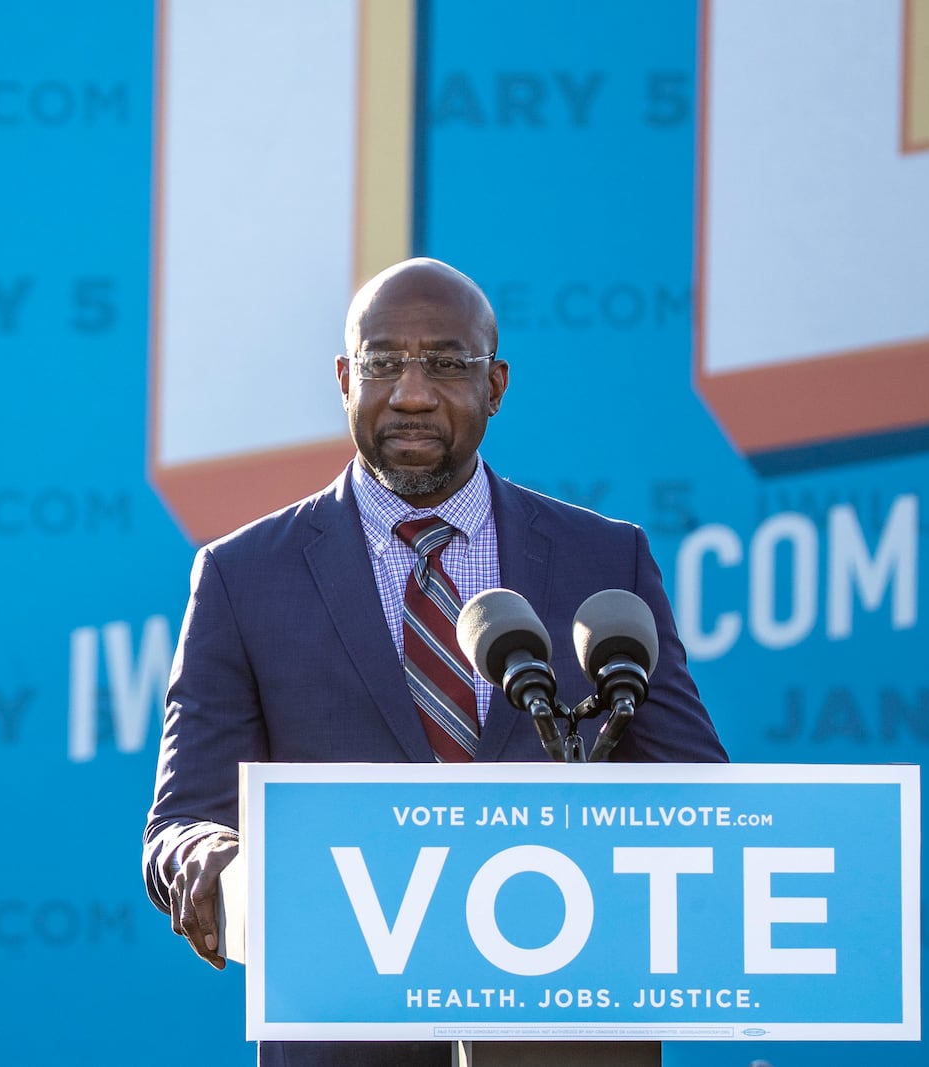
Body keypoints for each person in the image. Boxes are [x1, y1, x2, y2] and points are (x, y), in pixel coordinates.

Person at [143, 258, 727, 1066]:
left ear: (496, 386)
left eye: (448, 364)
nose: (412, 392)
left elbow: (700, 797)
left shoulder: (605, 559)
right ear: (345, 378)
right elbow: (184, 818)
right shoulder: (244, 577)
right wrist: (210, 857)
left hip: (563, 1038)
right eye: (383, 363)